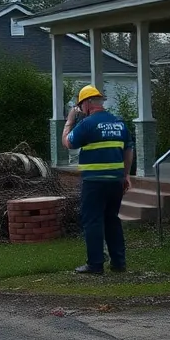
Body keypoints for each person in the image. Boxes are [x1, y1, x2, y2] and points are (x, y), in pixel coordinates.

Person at [62, 84, 133, 274]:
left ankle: (95, 264)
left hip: (94, 181)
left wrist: (69, 120)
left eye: (80, 105)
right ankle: (119, 263)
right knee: (112, 219)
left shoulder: (87, 124)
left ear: (86, 104)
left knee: (92, 221)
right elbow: (128, 151)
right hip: (116, 181)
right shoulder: (119, 122)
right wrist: (126, 175)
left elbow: (68, 142)